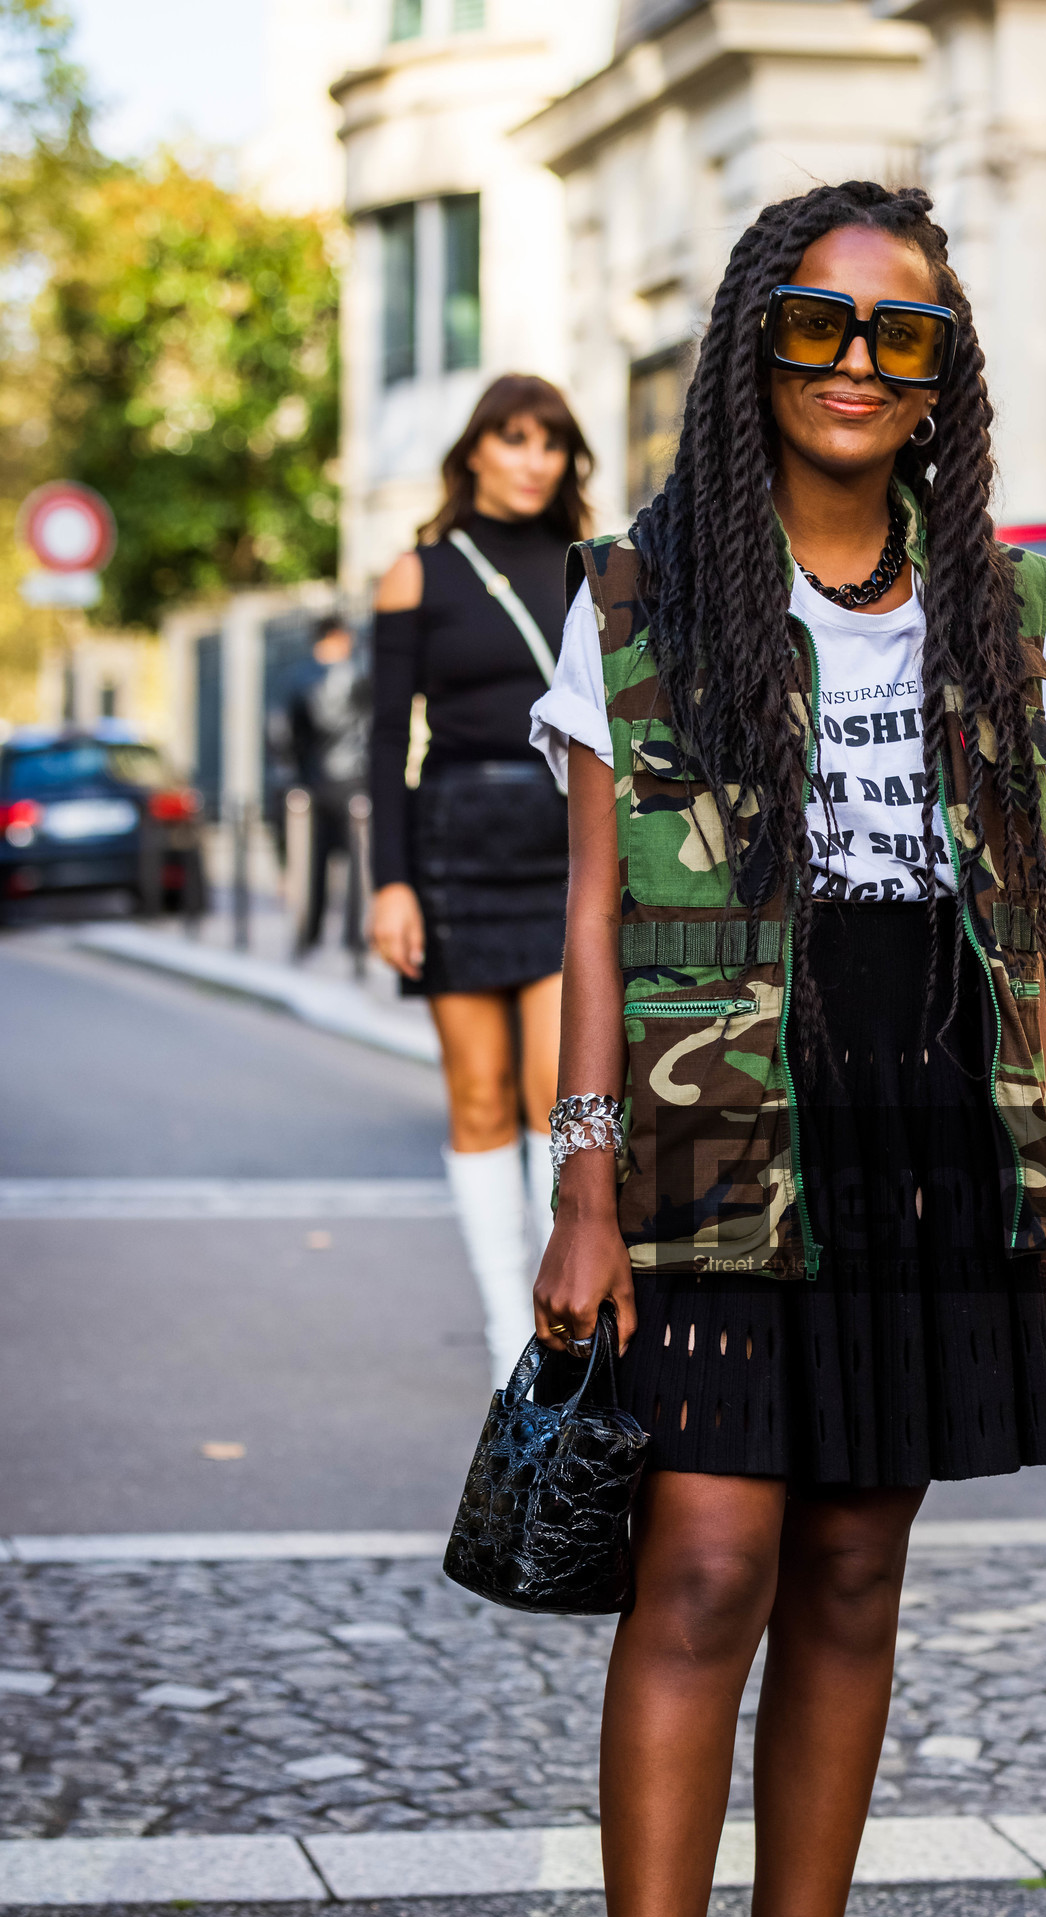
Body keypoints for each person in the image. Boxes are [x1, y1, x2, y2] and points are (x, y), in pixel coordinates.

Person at [530, 183, 1046, 1917]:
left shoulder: (991, 605)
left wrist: (1043, 1177)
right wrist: (583, 1175)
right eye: (820, 325)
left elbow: (1014, 910)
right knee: (703, 1557)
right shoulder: (640, 592)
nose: (860, 364)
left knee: (858, 1561)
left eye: (903, 338)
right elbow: (596, 909)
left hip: (921, 1111)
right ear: (749, 343)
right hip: (710, 1114)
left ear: (943, 373)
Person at [368, 374, 591, 1385]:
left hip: (563, 847)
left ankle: (563, 1317)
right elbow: (383, 744)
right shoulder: (418, 572)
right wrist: (391, 884)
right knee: (478, 1098)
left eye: (549, 443)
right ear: (474, 454)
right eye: (513, 439)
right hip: (455, 841)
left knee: (559, 1098)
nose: (531, 459)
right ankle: (509, 1336)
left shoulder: (592, 570)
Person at [286, 616, 368, 955]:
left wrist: (296, 777)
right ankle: (354, 937)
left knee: (311, 863)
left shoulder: (297, 679)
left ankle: (310, 933)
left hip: (315, 782)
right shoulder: (362, 675)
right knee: (358, 865)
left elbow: (283, 735)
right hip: (355, 781)